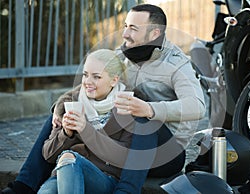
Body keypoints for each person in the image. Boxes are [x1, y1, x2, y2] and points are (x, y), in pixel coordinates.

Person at [1, 3, 206, 194]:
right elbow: (91, 83)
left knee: (142, 120)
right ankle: (23, 186)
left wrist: (150, 109)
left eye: (133, 28)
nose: (125, 33)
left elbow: (197, 107)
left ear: (154, 33)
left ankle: (125, 190)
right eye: (125, 26)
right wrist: (60, 105)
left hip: (163, 150)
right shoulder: (121, 55)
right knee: (66, 113)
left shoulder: (177, 63)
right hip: (123, 142)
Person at [38, 48, 135, 193]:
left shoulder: (127, 105)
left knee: (70, 158)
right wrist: (66, 133)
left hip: (104, 178)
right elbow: (48, 155)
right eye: (85, 75)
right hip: (63, 174)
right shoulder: (72, 102)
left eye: (96, 77)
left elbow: (123, 156)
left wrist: (86, 130)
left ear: (114, 80)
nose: (87, 82)